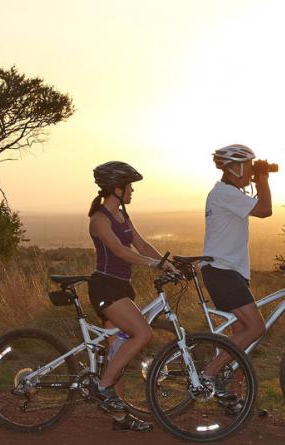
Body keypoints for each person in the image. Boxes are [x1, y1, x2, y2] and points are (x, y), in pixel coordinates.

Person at [87, 161, 174, 432]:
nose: (133, 191)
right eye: (130, 186)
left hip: (122, 288)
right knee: (143, 334)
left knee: (118, 353)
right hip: (106, 288)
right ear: (117, 189)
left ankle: (120, 416)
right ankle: (102, 387)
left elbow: (141, 244)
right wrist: (152, 265)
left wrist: (166, 262)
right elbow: (120, 252)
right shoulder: (99, 219)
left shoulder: (123, 217)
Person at [200, 144, 272, 396]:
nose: (252, 172)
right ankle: (208, 374)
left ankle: (233, 395)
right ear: (234, 168)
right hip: (222, 271)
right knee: (255, 328)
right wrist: (263, 179)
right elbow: (265, 210)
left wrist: (260, 177)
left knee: (242, 335)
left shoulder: (228, 193)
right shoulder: (224, 193)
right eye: (250, 167)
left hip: (229, 271)